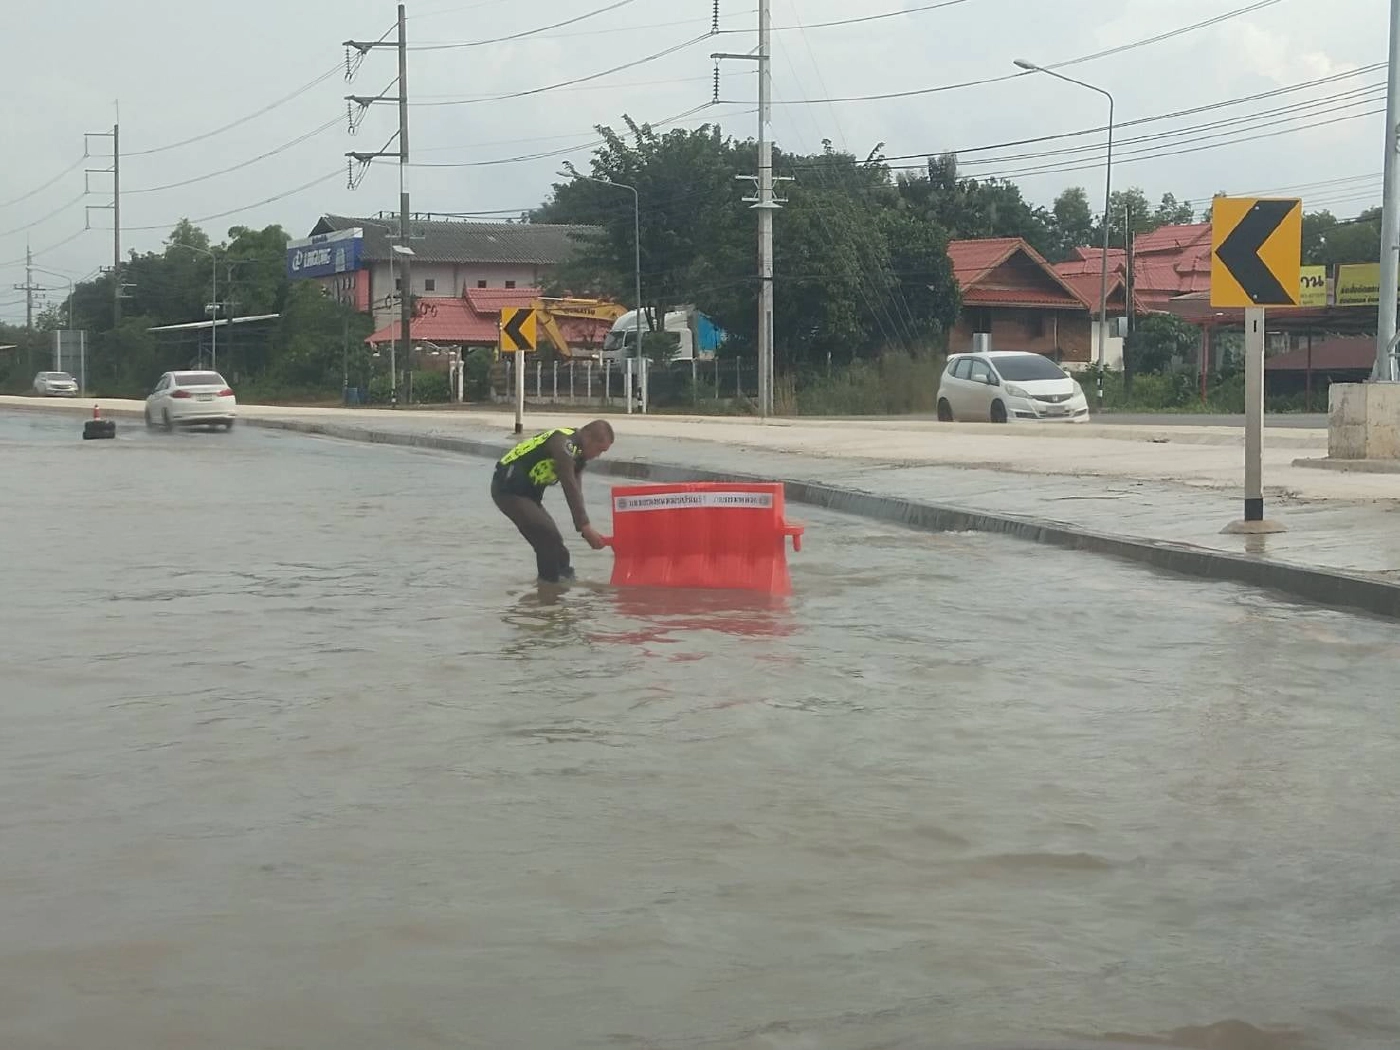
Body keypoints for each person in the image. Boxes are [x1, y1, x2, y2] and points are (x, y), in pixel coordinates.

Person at [492, 420, 615, 583]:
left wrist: (584, 529)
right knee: (547, 534)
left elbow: (577, 492)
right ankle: (549, 588)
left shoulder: (578, 454)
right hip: (508, 488)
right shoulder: (564, 444)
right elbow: (569, 485)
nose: (598, 456)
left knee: (555, 544)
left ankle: (557, 587)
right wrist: (585, 526)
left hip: (528, 494)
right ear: (587, 437)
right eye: (599, 450)